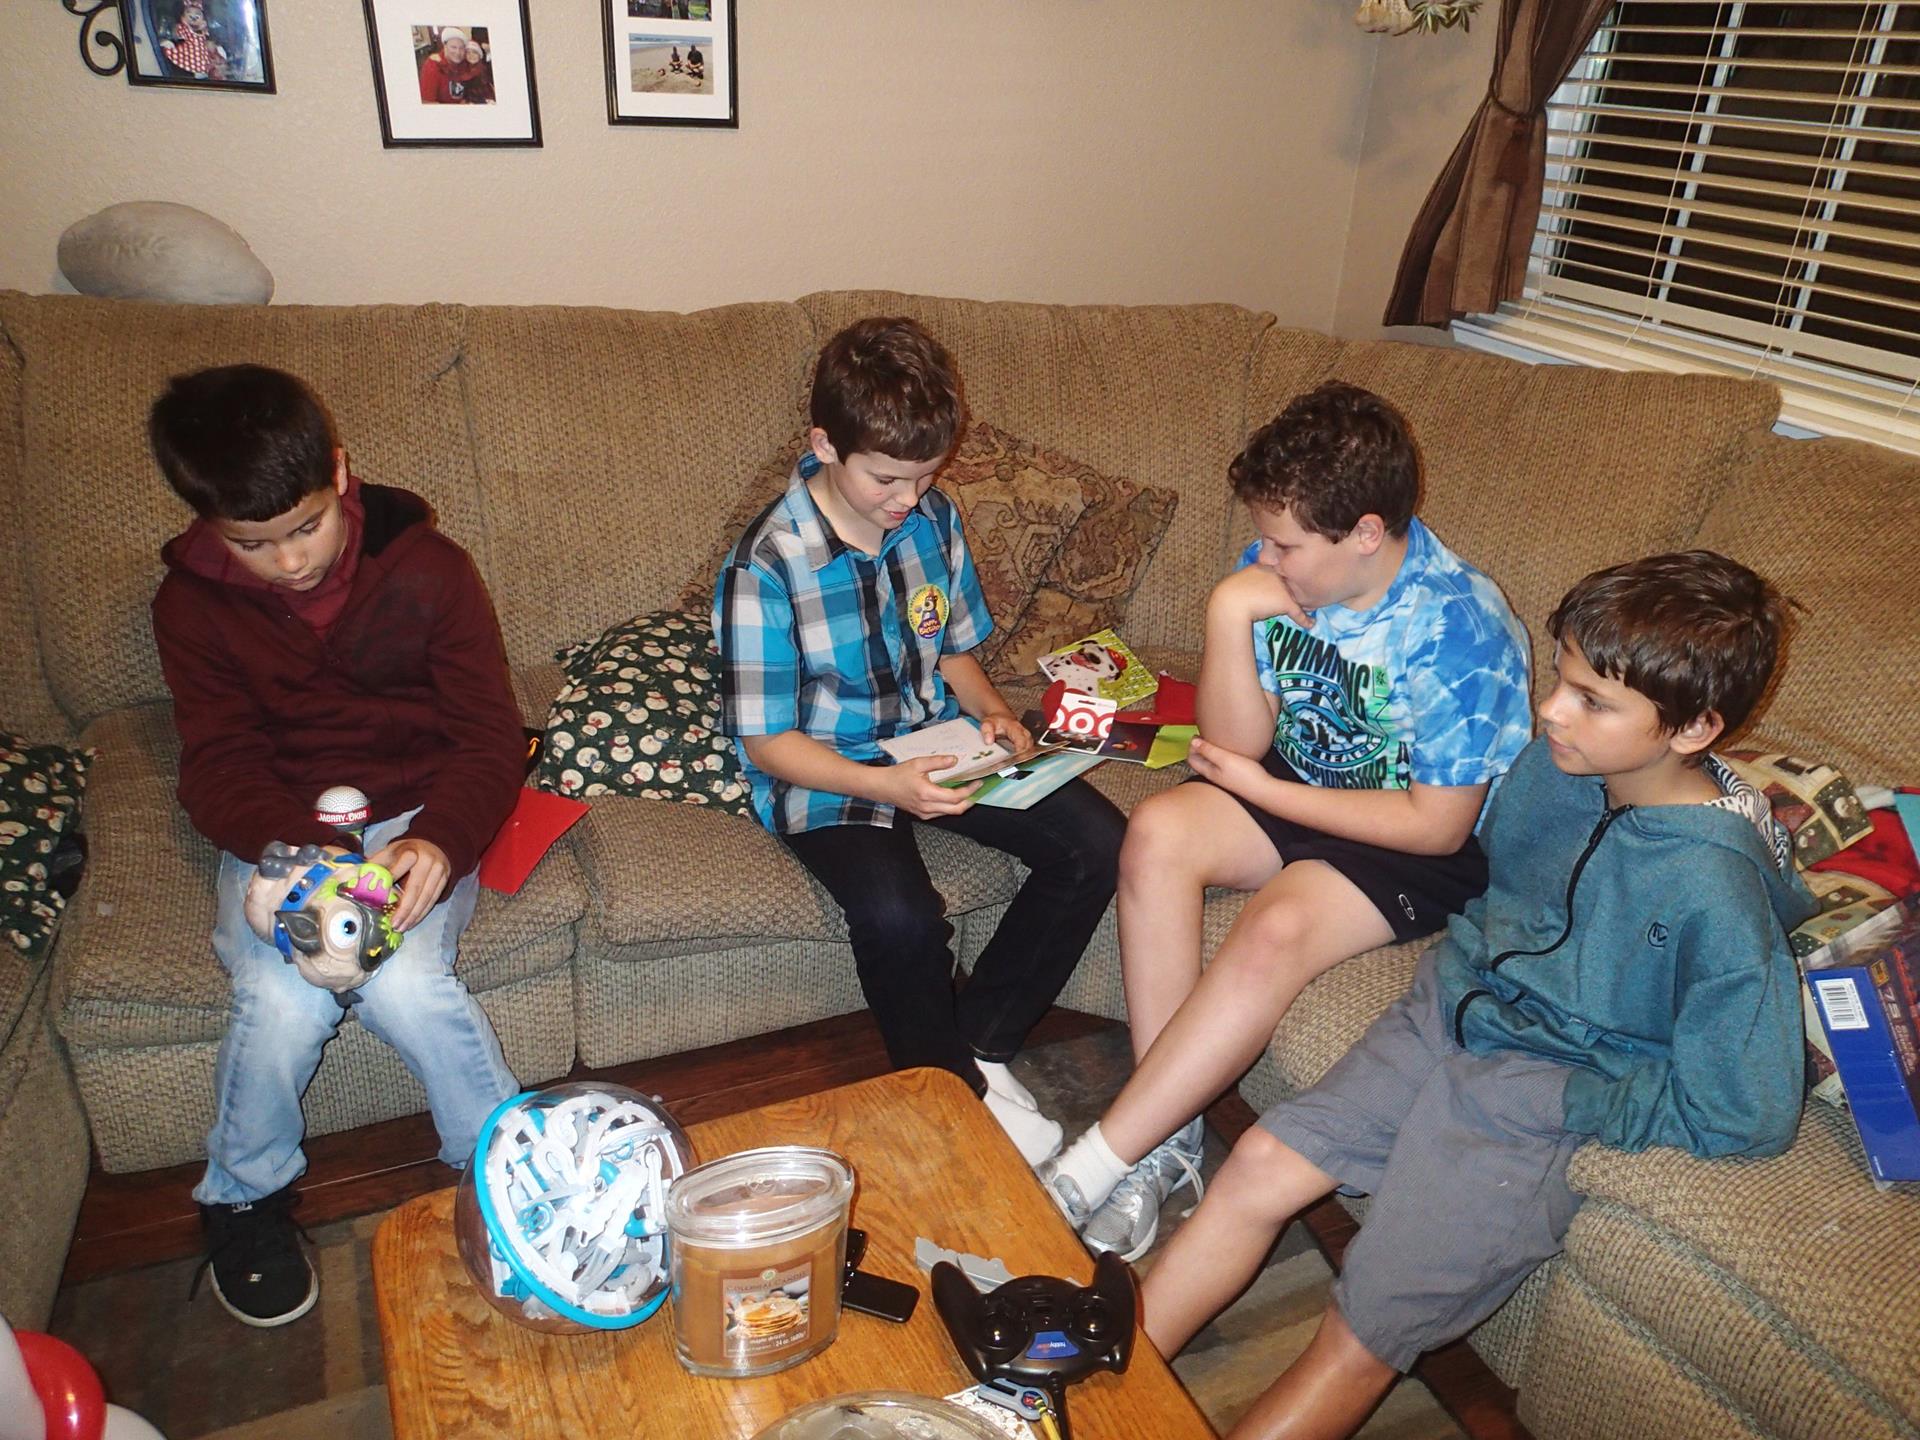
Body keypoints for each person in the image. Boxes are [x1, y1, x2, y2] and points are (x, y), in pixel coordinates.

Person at [1143, 551, 1812, 1440]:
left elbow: (1748, 1110)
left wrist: (1568, 1099)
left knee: (1364, 1326)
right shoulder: (1551, 772)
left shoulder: (1714, 890)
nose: (1551, 709)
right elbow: (1497, 881)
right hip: (1452, 1011)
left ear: (1693, 729)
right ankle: (1074, 1395)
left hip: (1534, 1098)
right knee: (1259, 1166)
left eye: (1592, 701)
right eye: (1562, 679)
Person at [1040, 382, 1532, 1261]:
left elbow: (1438, 828)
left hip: (1411, 835)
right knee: (1155, 835)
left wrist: (1263, 794)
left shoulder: (1460, 630)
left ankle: (1098, 1161)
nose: (1265, 558)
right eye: (1264, 540)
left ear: (1366, 533)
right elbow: (1239, 742)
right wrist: (1227, 613)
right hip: (1298, 776)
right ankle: (1167, 1146)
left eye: (1286, 545)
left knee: (1275, 927)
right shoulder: (1274, 575)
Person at [148, 365, 524, 1327]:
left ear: (342, 474)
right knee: (281, 999)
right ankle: (243, 1196)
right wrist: (294, 854)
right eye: (251, 544)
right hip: (281, 830)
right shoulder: (189, 606)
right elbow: (217, 763)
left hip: (414, 817)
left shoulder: (430, 569)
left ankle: (502, 1173)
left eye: (306, 528)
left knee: (406, 983)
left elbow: (489, 738)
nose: (287, 563)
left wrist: (440, 841)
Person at [713, 317, 1126, 1166]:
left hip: (934, 735)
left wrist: (995, 716)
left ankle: (977, 1044)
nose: (908, 498)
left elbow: (953, 649)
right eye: (886, 478)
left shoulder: (932, 520)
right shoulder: (764, 566)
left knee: (1099, 843)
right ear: (824, 446)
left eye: (927, 475)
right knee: (898, 918)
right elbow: (766, 743)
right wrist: (886, 788)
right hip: (826, 768)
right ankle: (949, 1096)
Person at [418, 27, 480, 104]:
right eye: (453, 47)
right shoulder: (433, 66)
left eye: (461, 48)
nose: (458, 52)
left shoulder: (464, 61)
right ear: (445, 46)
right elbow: (427, 102)